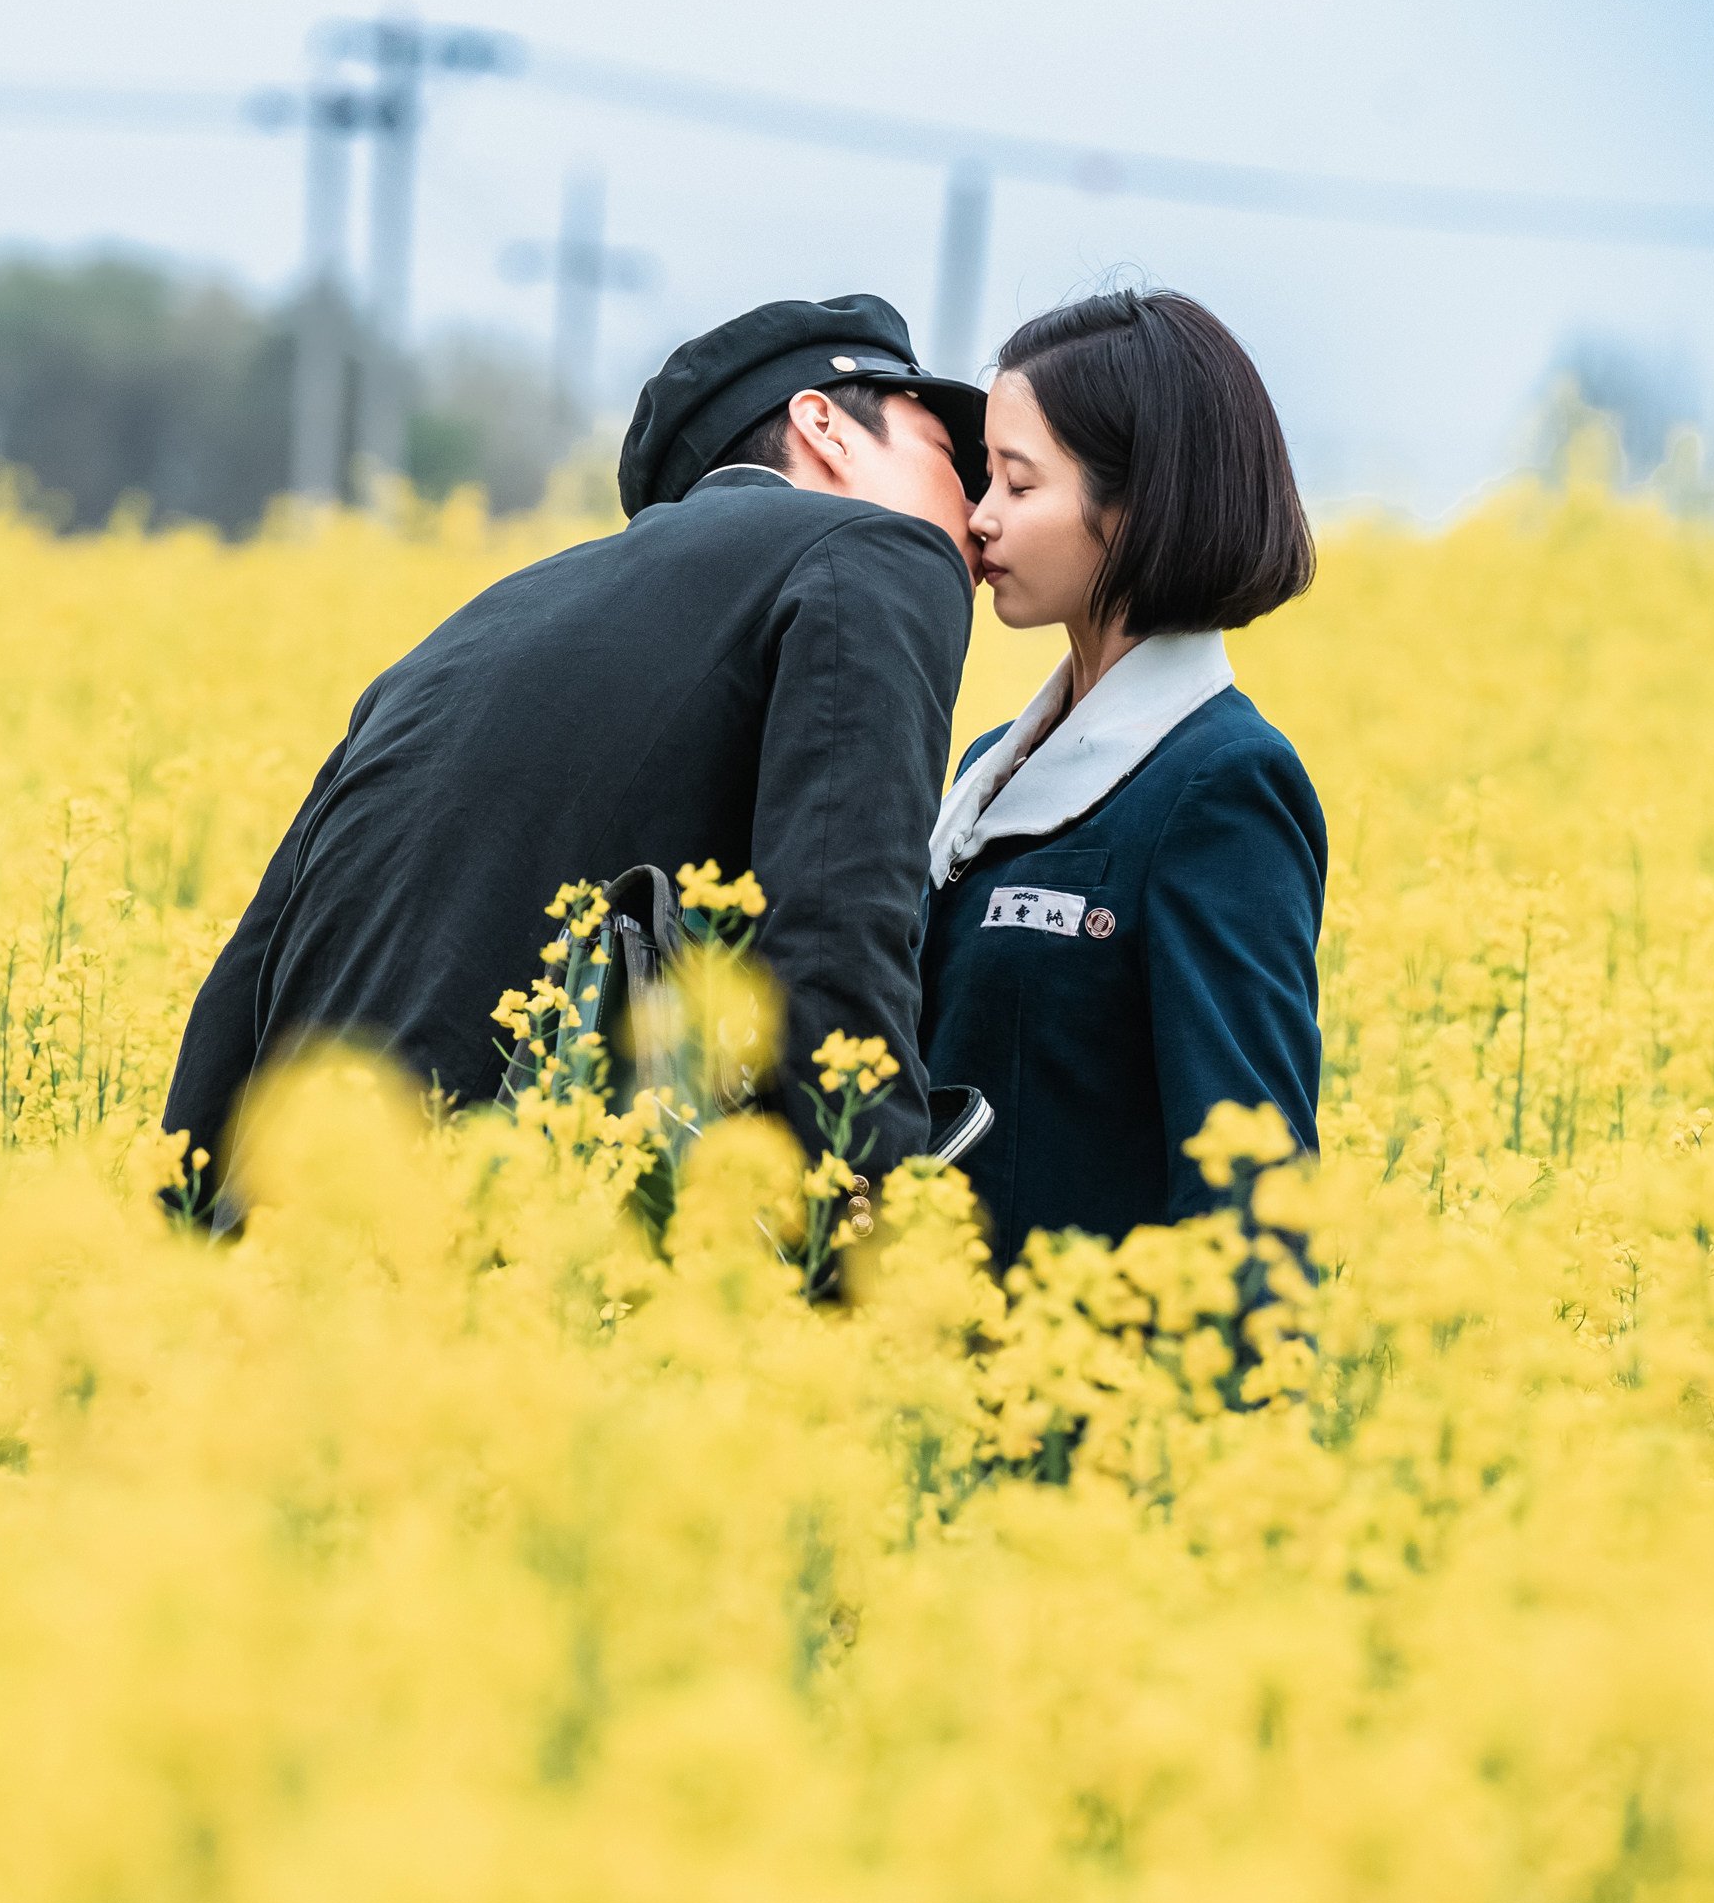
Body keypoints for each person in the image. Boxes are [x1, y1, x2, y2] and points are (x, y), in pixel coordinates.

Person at [164, 294, 988, 1217]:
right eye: (953, 461)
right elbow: (841, 919)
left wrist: (185, 1242)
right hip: (519, 1254)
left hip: (293, 1255)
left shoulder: (479, 621)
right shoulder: (881, 554)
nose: (980, 509)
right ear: (824, 425)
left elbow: (252, 965)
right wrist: (874, 1220)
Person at [919, 289, 1323, 1258]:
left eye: (1019, 485)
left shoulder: (1222, 782)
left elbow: (1251, 1176)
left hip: (1086, 1394)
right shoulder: (989, 769)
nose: (978, 519)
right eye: (984, 482)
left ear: (1138, 505)